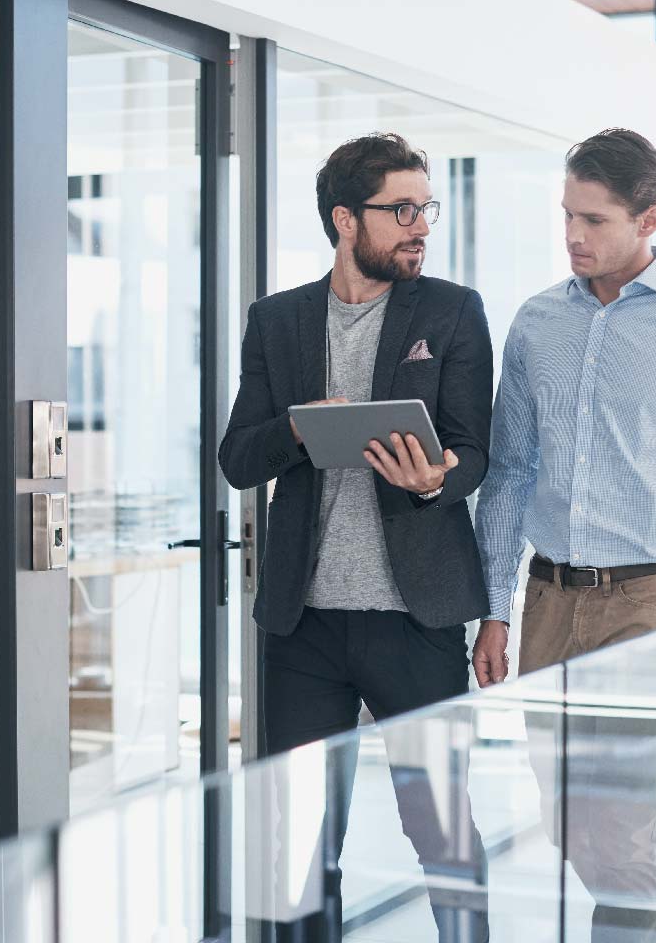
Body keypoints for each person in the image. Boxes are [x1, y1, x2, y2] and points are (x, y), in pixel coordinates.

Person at [472, 128, 656, 941]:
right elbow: (507, 474)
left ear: (650, 219)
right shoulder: (538, 323)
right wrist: (494, 610)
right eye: (567, 215)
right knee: (567, 818)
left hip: (647, 605)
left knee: (623, 822)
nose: (574, 236)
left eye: (595, 220)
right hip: (547, 601)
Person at [219, 132, 492, 941]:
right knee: (298, 845)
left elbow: (475, 449)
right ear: (346, 219)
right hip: (304, 627)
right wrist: (301, 434)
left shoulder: (451, 312)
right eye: (401, 210)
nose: (420, 226)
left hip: (418, 618)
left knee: (442, 834)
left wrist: (434, 478)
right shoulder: (278, 321)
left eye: (425, 207)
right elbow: (238, 458)